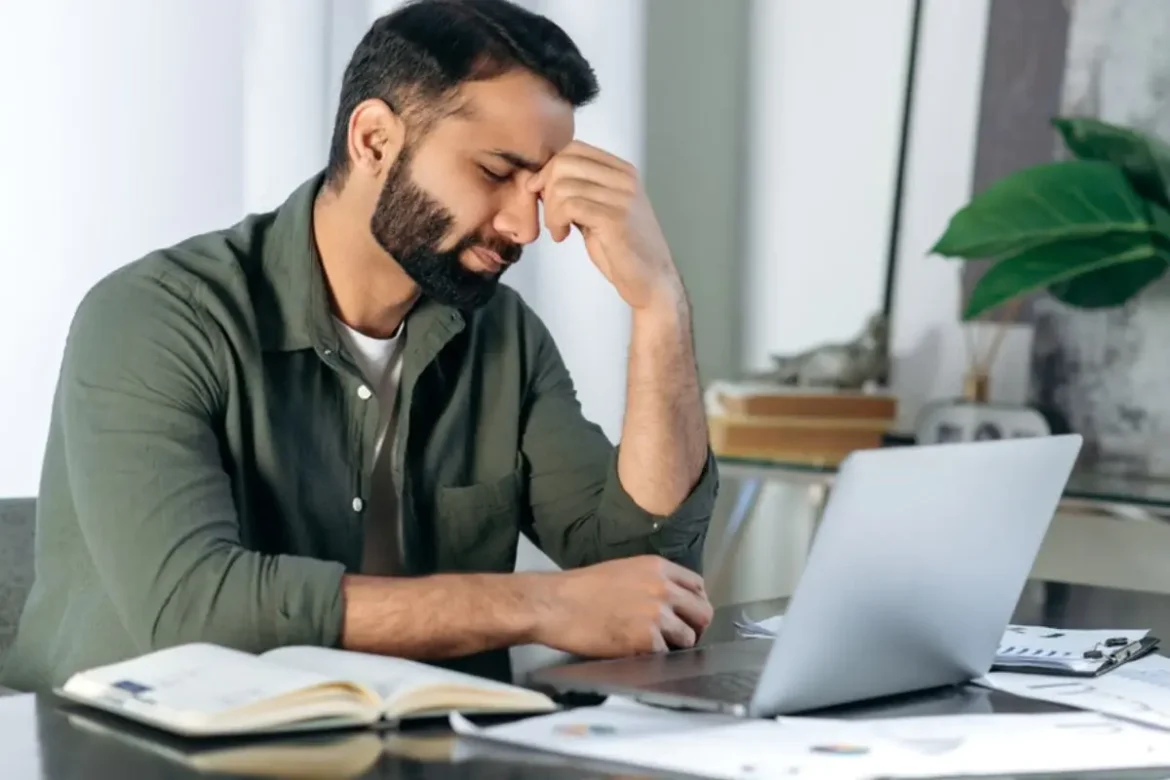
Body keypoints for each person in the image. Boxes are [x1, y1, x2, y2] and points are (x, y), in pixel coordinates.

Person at [0, 0, 718, 693]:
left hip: (421, 742)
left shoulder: (502, 335)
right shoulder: (156, 317)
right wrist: (539, 604)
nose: (525, 228)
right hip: (142, 745)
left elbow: (645, 578)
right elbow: (195, 607)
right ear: (374, 140)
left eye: (538, 190)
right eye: (496, 173)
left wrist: (659, 305)